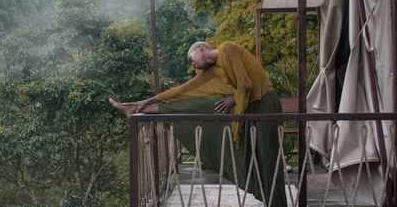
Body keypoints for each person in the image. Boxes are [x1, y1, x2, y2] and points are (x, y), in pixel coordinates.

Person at [109, 41, 286, 207]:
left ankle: (278, 203)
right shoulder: (215, 70)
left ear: (201, 49)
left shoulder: (228, 49)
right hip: (250, 106)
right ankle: (137, 108)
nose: (192, 65)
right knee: (203, 107)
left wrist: (233, 99)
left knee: (268, 156)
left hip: (265, 103)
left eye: (192, 60)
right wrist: (146, 101)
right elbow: (183, 89)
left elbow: (245, 84)